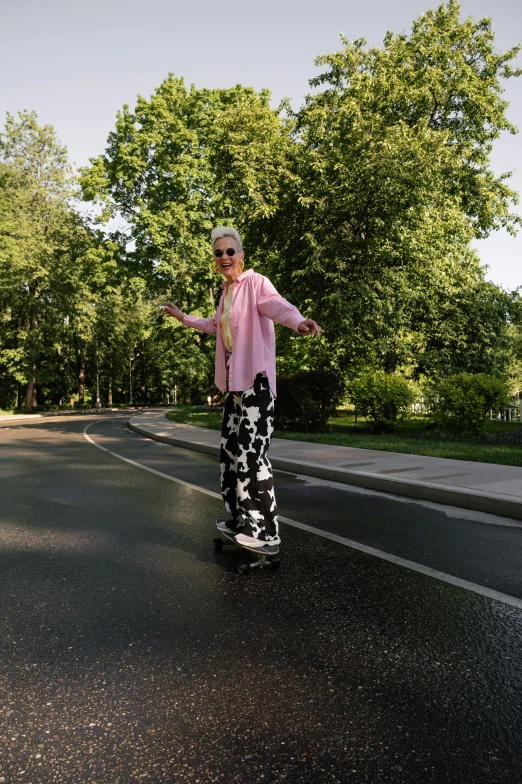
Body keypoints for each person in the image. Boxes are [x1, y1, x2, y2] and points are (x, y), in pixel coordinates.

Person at [163, 226, 322, 548]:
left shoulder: (256, 283)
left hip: (257, 383)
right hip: (235, 387)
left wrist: (298, 321)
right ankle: (240, 519)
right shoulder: (226, 293)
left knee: (252, 456)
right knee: (231, 454)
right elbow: (213, 326)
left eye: (229, 251)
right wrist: (182, 317)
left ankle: (265, 533)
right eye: (218, 253)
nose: (224, 257)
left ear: (241, 256)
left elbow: (277, 305)